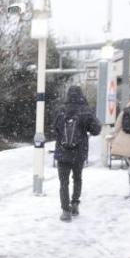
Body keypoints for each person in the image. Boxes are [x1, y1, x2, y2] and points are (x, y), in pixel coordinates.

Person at [51, 85, 102, 222]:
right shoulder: (86, 111)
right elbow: (96, 130)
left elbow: (54, 129)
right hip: (79, 153)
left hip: (62, 152)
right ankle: (74, 204)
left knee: (63, 182)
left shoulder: (60, 110)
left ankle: (65, 211)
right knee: (77, 178)